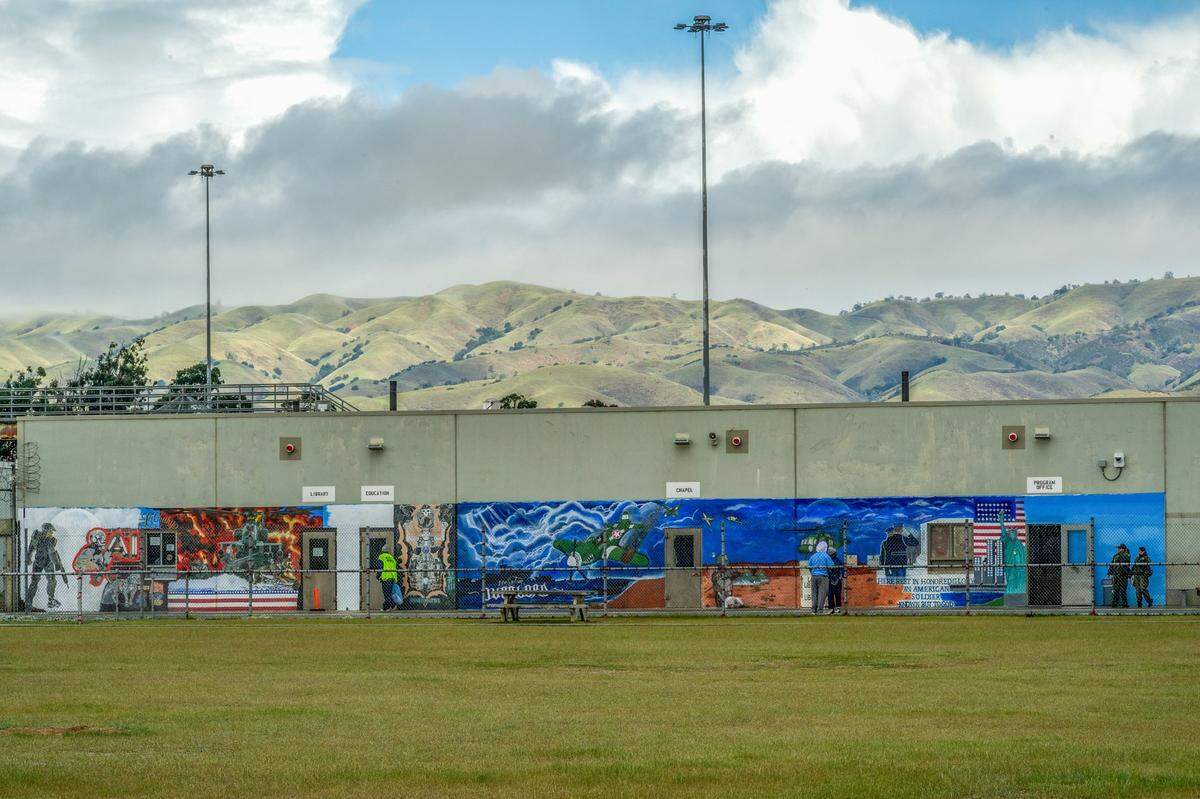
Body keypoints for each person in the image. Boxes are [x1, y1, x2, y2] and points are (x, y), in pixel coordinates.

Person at [808, 541, 834, 614]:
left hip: (814, 576)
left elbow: (809, 566)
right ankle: (820, 610)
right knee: (822, 594)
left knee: (814, 593)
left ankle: (813, 610)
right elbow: (831, 566)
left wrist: (813, 572)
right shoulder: (826, 556)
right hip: (823, 576)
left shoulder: (813, 556)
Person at [1108, 543, 1131, 608]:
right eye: (1118, 548)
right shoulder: (1115, 556)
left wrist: (1129, 575)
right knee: (1116, 590)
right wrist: (1109, 572)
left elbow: (1127, 564)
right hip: (1116, 575)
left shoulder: (1126, 555)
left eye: (1119, 548)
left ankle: (1124, 604)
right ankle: (1115, 603)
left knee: (1123, 590)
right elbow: (1112, 564)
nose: (1118, 549)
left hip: (1123, 575)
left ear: (1123, 549)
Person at [826, 546, 844, 613]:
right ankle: (832, 608)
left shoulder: (837, 560)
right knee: (831, 594)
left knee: (836, 594)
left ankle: (836, 608)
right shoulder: (829, 560)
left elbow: (842, 569)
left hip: (836, 579)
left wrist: (840, 576)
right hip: (831, 579)